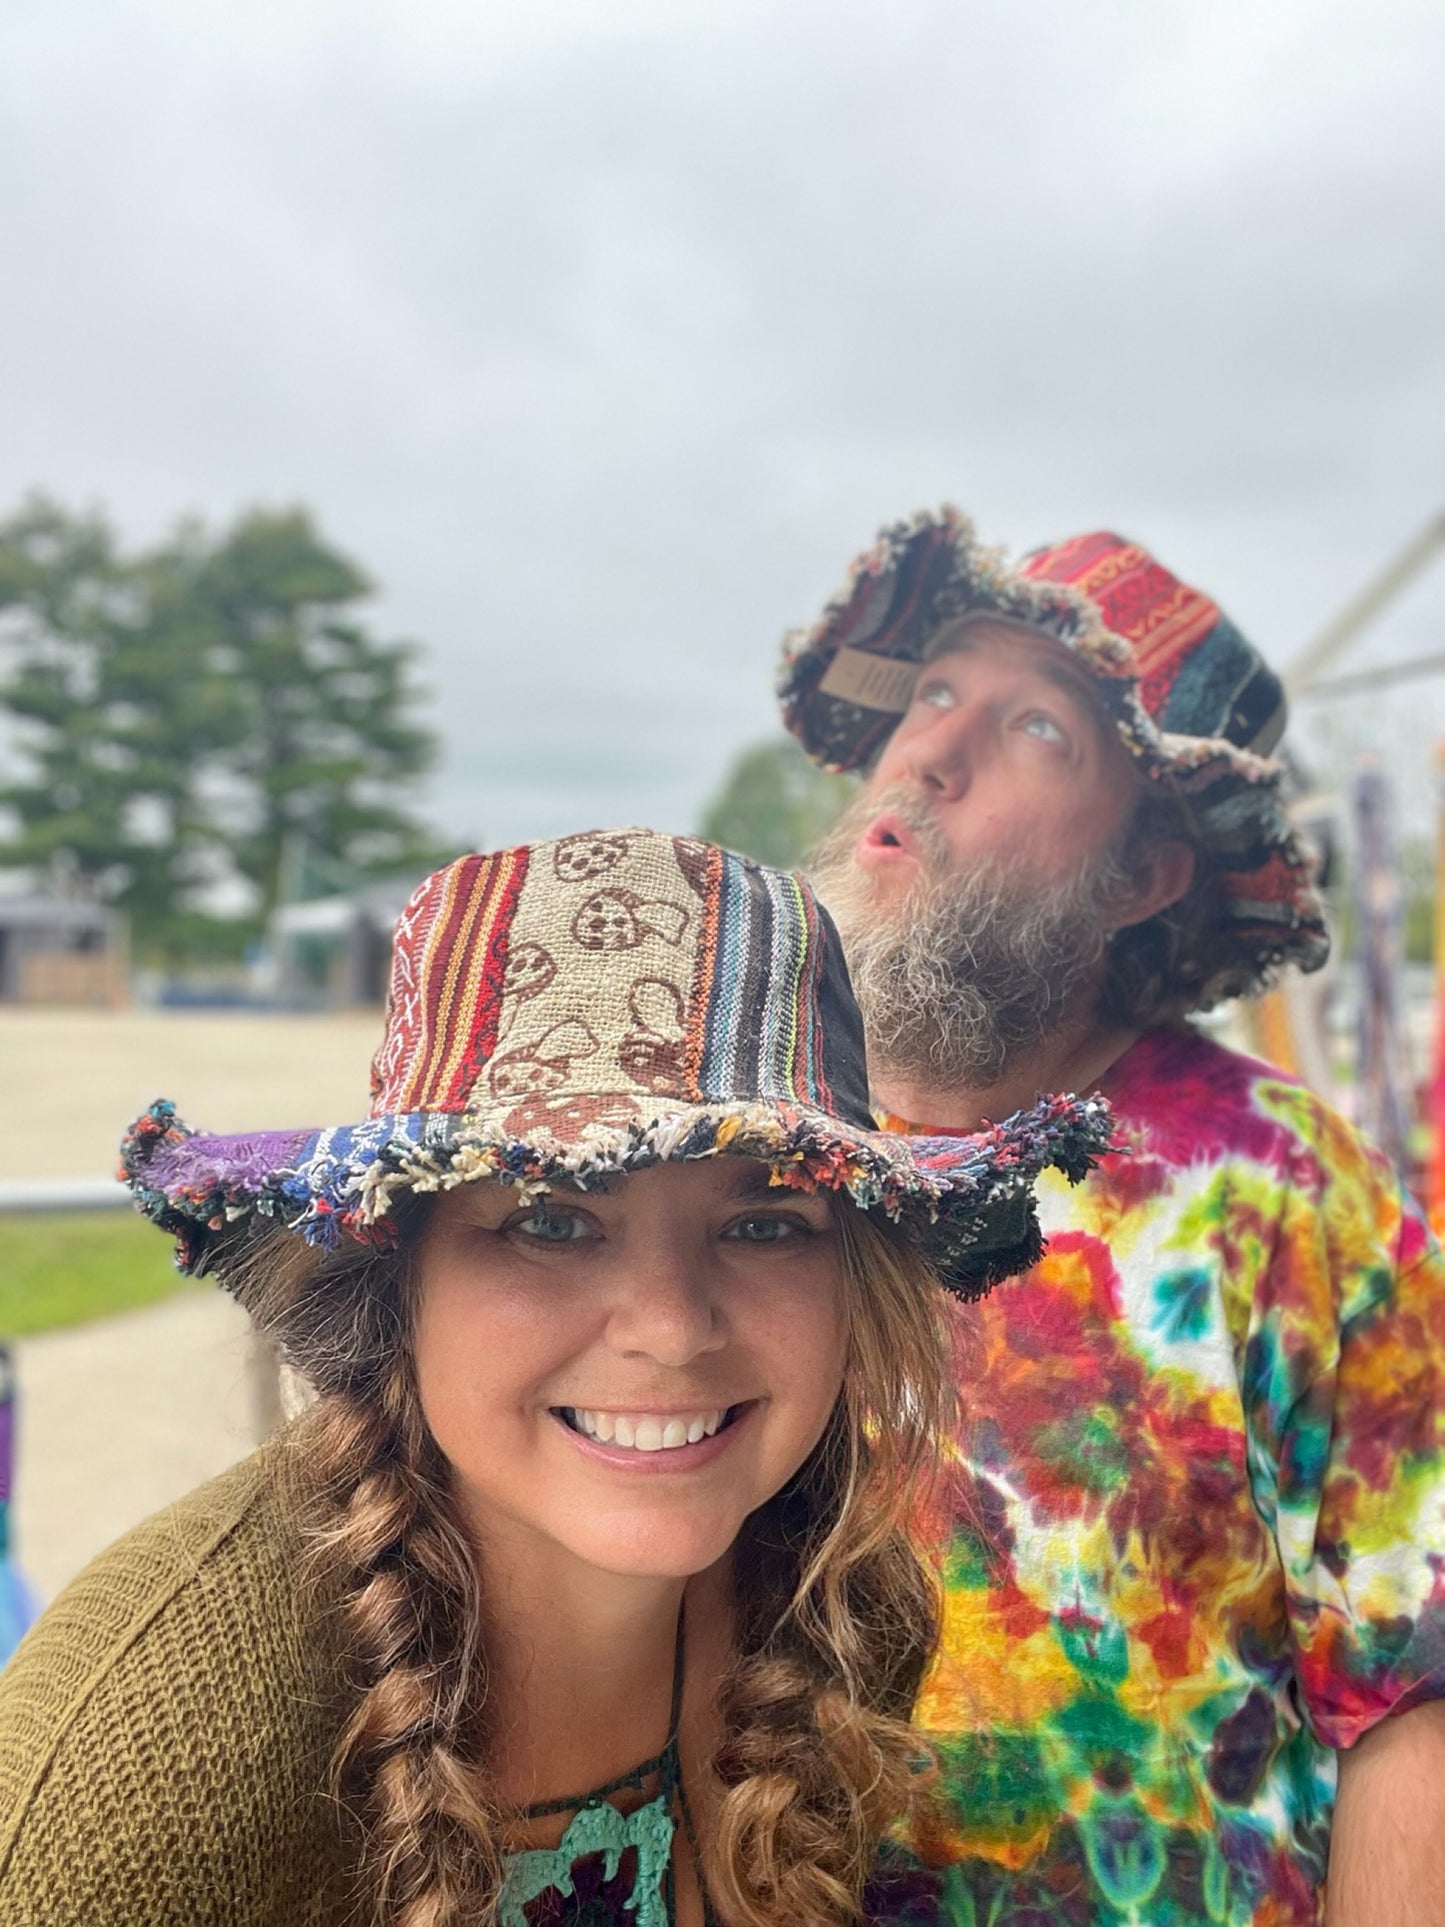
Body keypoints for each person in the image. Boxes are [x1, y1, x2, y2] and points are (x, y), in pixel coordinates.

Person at [0, 827, 1108, 1927]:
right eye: (550, 1220)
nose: (672, 1330)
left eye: (765, 1222)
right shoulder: (143, 1777)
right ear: (398, 1269)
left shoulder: (845, 1606)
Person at [778, 511, 1445, 1927]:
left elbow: (1410, 1683)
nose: (930, 751)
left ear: (1141, 875)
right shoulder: (741, 1147)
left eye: (1035, 729)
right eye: (939, 689)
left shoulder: (1284, 1185)